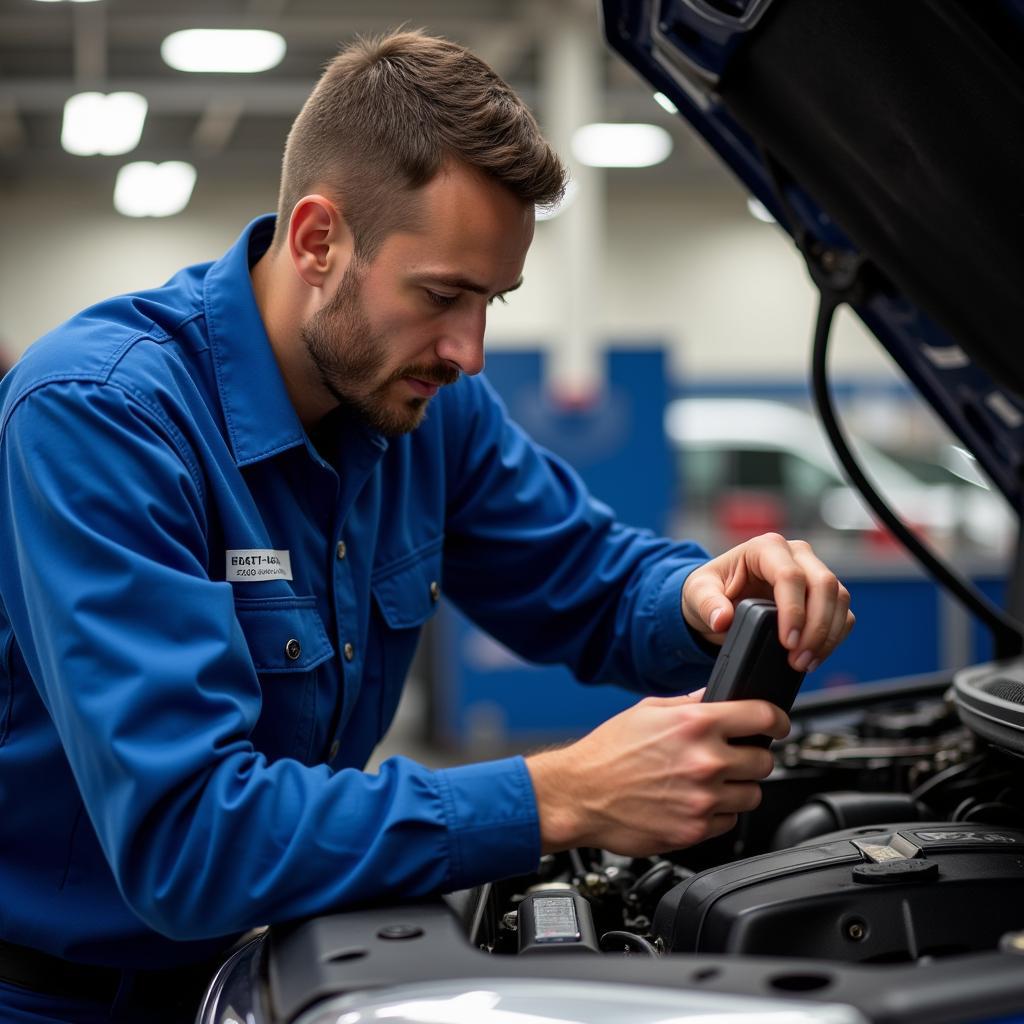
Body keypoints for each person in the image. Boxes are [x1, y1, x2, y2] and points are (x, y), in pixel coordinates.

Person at [0, 30, 853, 1024]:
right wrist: (557, 794)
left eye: (490, 300)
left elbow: (591, 582)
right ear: (318, 239)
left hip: (266, 964)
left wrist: (706, 595)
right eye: (442, 295)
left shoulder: (422, 407)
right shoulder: (100, 415)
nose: (470, 351)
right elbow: (193, 839)